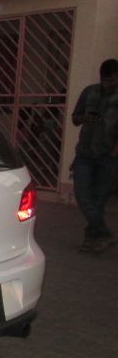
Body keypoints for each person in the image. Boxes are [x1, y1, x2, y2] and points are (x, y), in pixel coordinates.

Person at [71, 58, 118, 252]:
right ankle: (104, 234)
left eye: (112, 80)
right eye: (105, 79)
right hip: (84, 153)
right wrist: (86, 118)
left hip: (107, 155)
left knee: (98, 200)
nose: (107, 83)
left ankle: (92, 239)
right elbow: (75, 118)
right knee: (82, 195)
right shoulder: (89, 92)